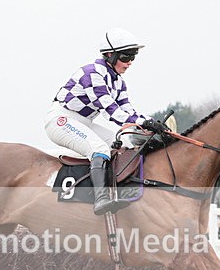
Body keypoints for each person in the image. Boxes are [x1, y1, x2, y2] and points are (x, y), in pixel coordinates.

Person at [45, 28, 168, 215]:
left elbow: (127, 110)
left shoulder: (118, 82)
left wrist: (150, 122)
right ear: (109, 55)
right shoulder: (92, 73)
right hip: (61, 120)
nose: (130, 63)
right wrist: (145, 123)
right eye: (126, 57)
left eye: (133, 57)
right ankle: (101, 198)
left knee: (123, 146)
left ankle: (119, 191)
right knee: (100, 149)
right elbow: (111, 111)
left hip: (84, 122)